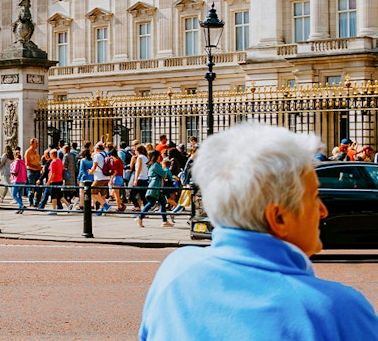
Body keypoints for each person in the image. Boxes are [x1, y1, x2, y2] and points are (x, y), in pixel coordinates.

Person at [139, 123, 378, 341]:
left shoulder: (175, 270)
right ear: (279, 218)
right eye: (314, 196)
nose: (323, 210)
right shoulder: (336, 308)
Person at [136, 150, 174, 228]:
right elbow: (164, 175)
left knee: (163, 203)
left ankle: (165, 221)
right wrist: (165, 170)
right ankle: (140, 217)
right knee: (151, 203)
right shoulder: (156, 165)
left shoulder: (151, 165)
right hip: (156, 186)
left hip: (157, 186)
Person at [88, 142, 111, 216]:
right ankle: (103, 210)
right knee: (102, 194)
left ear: (97, 149)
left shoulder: (97, 155)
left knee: (92, 192)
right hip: (107, 176)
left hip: (99, 177)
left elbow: (94, 166)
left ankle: (105, 205)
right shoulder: (106, 154)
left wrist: (90, 171)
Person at [46, 148, 70, 215]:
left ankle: (54, 210)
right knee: (59, 194)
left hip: (54, 180)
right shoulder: (59, 161)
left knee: (53, 196)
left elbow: (52, 173)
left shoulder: (53, 162)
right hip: (60, 179)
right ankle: (68, 204)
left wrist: (48, 181)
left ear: (52, 154)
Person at [130, 144, 149, 211]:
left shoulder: (139, 158)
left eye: (135, 150)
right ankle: (145, 211)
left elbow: (138, 169)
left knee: (132, 195)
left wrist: (135, 179)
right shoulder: (145, 157)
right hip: (145, 178)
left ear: (137, 151)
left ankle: (137, 207)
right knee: (143, 196)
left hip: (140, 178)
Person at [24, 138, 41, 207]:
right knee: (31, 187)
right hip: (31, 171)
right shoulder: (28, 152)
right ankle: (30, 201)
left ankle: (37, 202)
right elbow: (27, 163)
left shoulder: (36, 151)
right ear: (31, 144)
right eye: (36, 143)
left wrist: (39, 166)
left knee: (39, 187)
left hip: (38, 171)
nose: (37, 144)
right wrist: (36, 167)